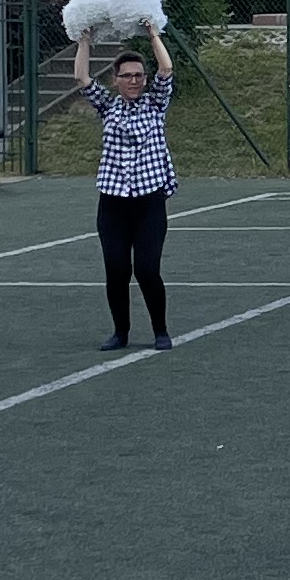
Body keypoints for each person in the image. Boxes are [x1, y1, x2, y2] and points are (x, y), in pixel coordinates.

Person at [72, 24, 177, 352]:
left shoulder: (155, 104)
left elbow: (166, 69)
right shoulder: (108, 107)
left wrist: (153, 34)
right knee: (116, 270)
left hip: (149, 203)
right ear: (116, 80)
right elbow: (81, 77)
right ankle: (120, 333)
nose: (134, 81)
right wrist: (84, 39)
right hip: (113, 203)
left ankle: (160, 330)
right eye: (127, 76)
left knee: (146, 269)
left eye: (138, 75)